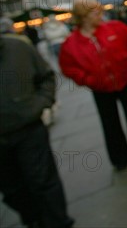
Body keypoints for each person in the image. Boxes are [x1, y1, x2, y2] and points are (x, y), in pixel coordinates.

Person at [59, 0, 127, 170]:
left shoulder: (114, 27)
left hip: (124, 81)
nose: (100, 15)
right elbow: (69, 68)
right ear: (84, 16)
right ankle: (120, 159)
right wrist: (87, 80)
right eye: (96, 12)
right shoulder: (71, 44)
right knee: (110, 123)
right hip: (101, 89)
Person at [0, 31, 75, 228]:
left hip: (29, 129)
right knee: (12, 189)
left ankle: (59, 222)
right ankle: (33, 218)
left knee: (43, 180)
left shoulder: (18, 47)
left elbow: (47, 76)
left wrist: (40, 103)